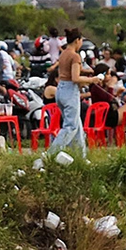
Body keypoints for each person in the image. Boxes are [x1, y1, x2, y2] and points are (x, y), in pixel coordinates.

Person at [47, 28, 91, 156]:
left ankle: (80, 157)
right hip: (70, 91)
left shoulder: (64, 54)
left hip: (60, 90)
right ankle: (51, 154)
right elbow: (75, 78)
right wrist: (92, 79)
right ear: (77, 40)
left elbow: (67, 72)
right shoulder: (75, 56)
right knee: (71, 126)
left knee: (77, 125)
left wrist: (86, 72)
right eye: (81, 40)